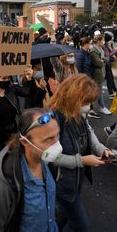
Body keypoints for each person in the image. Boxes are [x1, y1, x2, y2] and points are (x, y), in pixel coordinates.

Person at [0, 108, 60, 232]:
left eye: (57, 135)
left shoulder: (48, 162)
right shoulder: (3, 184)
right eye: (48, 139)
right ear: (25, 142)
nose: (56, 145)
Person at [49, 74, 113, 232]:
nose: (89, 107)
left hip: (74, 181)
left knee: (62, 216)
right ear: (73, 97)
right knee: (81, 225)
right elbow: (48, 156)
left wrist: (101, 149)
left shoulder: (78, 113)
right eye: (86, 102)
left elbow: (89, 132)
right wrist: (82, 161)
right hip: (61, 183)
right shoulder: (55, 119)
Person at [0, 74, 31, 161]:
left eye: (8, 78)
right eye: (4, 78)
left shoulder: (12, 89)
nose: (7, 80)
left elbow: (27, 92)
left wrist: (28, 78)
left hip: (13, 132)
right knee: (1, 161)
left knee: (16, 159)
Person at [76, 37, 100, 119]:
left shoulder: (87, 53)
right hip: (84, 79)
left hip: (89, 77)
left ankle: (90, 110)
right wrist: (81, 80)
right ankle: (87, 112)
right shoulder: (80, 55)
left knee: (89, 95)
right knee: (85, 96)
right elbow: (79, 69)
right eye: (89, 43)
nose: (91, 45)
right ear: (85, 44)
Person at [90, 35, 111, 115]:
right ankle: (102, 107)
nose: (103, 42)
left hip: (101, 71)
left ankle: (95, 107)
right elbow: (98, 63)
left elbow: (106, 57)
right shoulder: (93, 50)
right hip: (97, 73)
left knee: (98, 90)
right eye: (102, 40)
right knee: (98, 91)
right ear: (98, 41)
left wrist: (103, 60)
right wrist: (103, 61)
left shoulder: (100, 48)